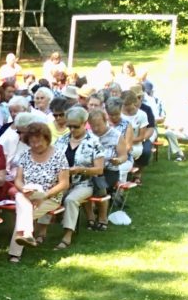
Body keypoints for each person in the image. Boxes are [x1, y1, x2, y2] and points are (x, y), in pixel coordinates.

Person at [8, 122, 70, 261]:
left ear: (47, 138)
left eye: (39, 141)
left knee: (24, 213)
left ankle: (15, 253)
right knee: (21, 198)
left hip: (49, 196)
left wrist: (44, 196)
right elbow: (18, 180)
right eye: (32, 142)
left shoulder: (59, 155)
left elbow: (64, 183)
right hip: (28, 194)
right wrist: (23, 189)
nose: (35, 145)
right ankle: (28, 235)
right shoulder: (25, 155)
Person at [55, 106, 104, 250]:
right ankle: (40, 233)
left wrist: (80, 170)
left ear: (84, 123)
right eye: (68, 126)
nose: (71, 130)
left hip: (85, 183)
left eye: (75, 127)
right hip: (63, 181)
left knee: (71, 200)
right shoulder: (61, 140)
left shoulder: (94, 142)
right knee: (50, 195)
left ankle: (67, 235)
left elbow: (99, 169)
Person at [89, 108, 128, 230]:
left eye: (98, 125)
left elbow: (124, 155)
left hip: (110, 170)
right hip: (91, 169)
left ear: (105, 121)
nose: (95, 129)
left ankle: (102, 217)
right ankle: (91, 217)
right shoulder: (88, 135)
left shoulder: (116, 135)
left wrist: (118, 160)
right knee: (83, 183)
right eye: (92, 126)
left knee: (100, 184)